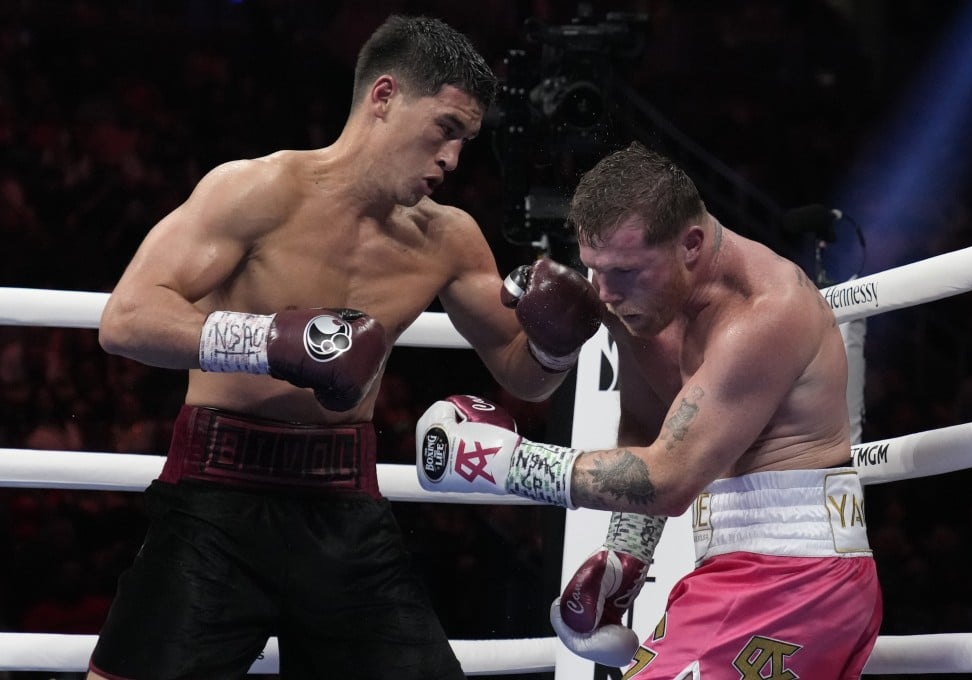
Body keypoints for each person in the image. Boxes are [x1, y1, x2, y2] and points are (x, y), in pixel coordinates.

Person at [90, 15, 602, 680]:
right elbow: (127, 318)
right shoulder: (257, 190)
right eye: (445, 128)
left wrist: (557, 343)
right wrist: (272, 342)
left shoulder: (447, 239)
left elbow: (525, 375)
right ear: (383, 97)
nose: (451, 159)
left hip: (344, 510)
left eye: (466, 141)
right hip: (217, 498)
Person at [417, 142, 882, 678]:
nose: (605, 294)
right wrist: (626, 554)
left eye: (624, 271)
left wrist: (499, 462)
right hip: (737, 569)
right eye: (594, 269)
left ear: (690, 244)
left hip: (798, 577)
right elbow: (652, 430)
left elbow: (670, 478)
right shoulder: (642, 306)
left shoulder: (765, 311)